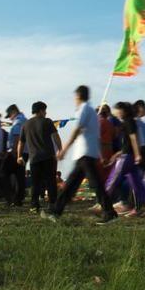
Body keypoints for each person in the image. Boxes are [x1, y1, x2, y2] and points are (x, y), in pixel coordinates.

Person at [41, 87, 117, 224]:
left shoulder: (84, 109)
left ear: (78, 96)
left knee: (93, 184)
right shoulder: (92, 112)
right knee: (73, 185)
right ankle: (56, 211)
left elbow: (77, 130)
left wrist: (64, 149)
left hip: (85, 153)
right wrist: (100, 154)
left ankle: (109, 212)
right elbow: (95, 136)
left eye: (75, 97)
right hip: (87, 153)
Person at [103, 102, 145, 218]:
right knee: (136, 184)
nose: (116, 112)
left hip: (128, 157)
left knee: (112, 180)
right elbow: (127, 143)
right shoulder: (127, 122)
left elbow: (134, 139)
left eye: (118, 110)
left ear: (124, 111)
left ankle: (102, 205)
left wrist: (137, 154)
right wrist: (116, 155)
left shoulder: (129, 122)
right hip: (128, 155)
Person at [16, 102, 61, 212]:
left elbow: (20, 143)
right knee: (50, 181)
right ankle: (52, 204)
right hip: (48, 156)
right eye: (45, 110)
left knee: (35, 183)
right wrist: (60, 149)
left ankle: (34, 206)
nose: (46, 113)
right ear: (40, 110)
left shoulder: (25, 125)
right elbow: (55, 136)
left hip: (34, 158)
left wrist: (19, 156)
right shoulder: (47, 122)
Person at [1, 104, 28, 207]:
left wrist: (13, 151)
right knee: (19, 176)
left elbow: (17, 137)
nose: (10, 118)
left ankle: (12, 197)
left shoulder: (18, 121)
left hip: (16, 151)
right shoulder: (25, 120)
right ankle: (18, 199)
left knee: (3, 172)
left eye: (10, 116)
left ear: (13, 112)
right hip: (24, 151)